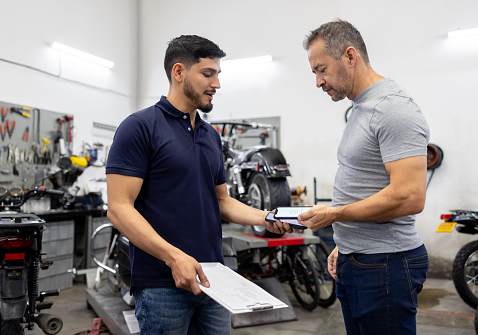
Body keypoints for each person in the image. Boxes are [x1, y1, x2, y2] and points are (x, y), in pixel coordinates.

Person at [268, 20, 430, 334]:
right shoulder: (361, 108)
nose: (318, 81)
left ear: (350, 57)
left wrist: (336, 214)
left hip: (385, 265)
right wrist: (345, 243)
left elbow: (410, 196)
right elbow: (367, 182)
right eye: (314, 72)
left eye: (321, 69)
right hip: (359, 260)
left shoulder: (393, 109)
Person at [106, 35, 272, 335]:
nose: (217, 84)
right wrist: (174, 257)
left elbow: (222, 200)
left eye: (218, 74)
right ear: (179, 72)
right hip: (162, 284)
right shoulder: (139, 127)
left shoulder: (211, 136)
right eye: (208, 74)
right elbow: (118, 209)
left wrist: (266, 218)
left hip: (214, 281)